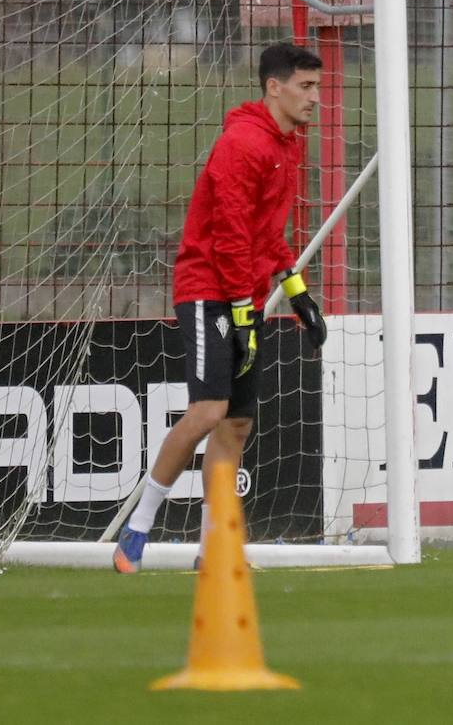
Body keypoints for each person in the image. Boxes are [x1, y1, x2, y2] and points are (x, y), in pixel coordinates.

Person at [113, 43, 330, 573]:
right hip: (209, 288)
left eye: (317, 87)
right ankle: (136, 531)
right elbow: (230, 235)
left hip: (241, 295)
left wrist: (296, 291)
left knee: (234, 425)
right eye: (305, 87)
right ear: (273, 87)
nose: (315, 98)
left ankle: (215, 549)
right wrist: (238, 311)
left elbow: (265, 232)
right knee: (207, 411)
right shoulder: (242, 144)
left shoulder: (287, 144)